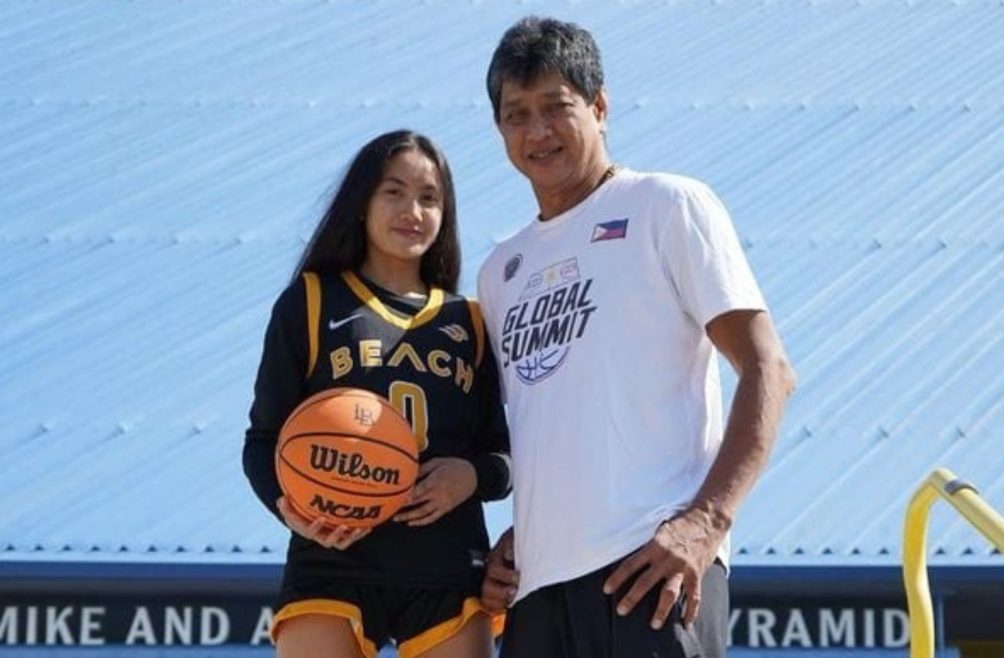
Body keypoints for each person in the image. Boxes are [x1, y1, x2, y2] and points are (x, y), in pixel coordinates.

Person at [475, 17, 797, 658]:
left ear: (599, 106)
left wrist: (707, 521)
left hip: (652, 568)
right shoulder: (500, 271)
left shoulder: (667, 206)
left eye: (556, 107)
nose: (537, 131)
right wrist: (523, 535)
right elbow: (544, 427)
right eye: (517, 114)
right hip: (537, 594)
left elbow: (769, 369)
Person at [242, 129, 512, 658]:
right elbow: (262, 442)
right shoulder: (311, 301)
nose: (413, 211)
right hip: (333, 560)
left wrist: (471, 476)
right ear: (361, 203)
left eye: (430, 198)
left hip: (446, 564)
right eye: (394, 192)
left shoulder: (471, 321)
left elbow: (505, 455)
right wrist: (289, 509)